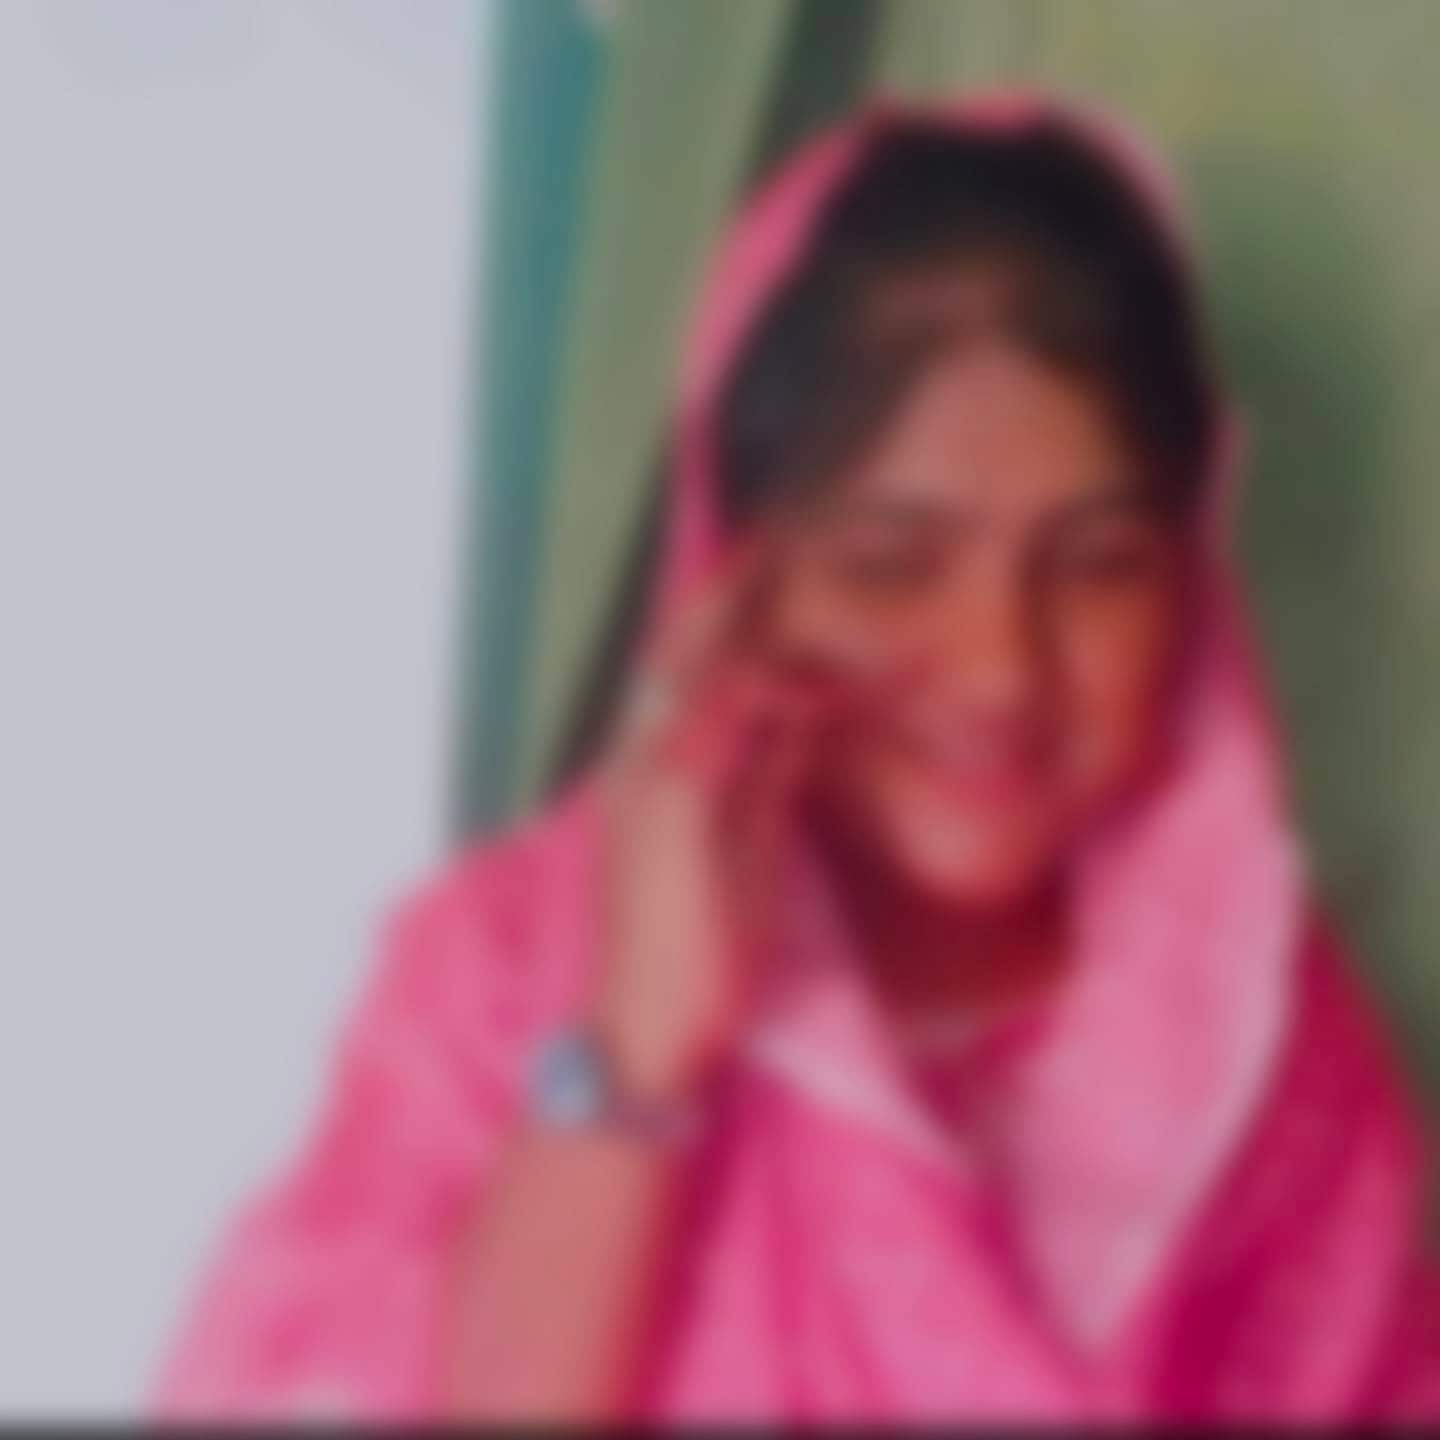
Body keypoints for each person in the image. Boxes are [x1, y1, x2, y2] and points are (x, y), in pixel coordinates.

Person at [152, 91, 1439, 1424]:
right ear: (734, 579)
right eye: (891, 564)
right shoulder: (499, 977)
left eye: (1099, 563)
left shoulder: (1259, 1042)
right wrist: (637, 1047)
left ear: (1191, 582)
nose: (1000, 667)